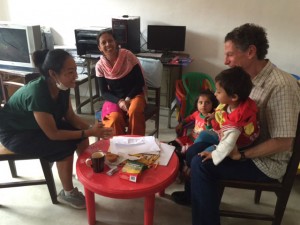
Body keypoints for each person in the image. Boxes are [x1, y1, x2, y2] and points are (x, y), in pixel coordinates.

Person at [171, 23, 300, 225]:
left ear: (250, 52)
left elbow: (283, 143)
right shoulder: (246, 80)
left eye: (230, 55)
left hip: (265, 161)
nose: (225, 61)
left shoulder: (281, 86)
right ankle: (194, 195)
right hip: (241, 142)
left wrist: (241, 155)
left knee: (201, 164)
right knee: (194, 148)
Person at [0, 49, 113, 209]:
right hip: (16, 133)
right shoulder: (38, 93)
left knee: (80, 136)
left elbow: (71, 117)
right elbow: (53, 134)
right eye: (70, 72)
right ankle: (68, 193)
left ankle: (88, 170)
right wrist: (90, 132)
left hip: (38, 125)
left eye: (75, 70)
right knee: (63, 148)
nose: (75, 75)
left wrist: (94, 129)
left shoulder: (62, 88)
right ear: (53, 74)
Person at [197, 67, 260, 166]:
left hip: (235, 145)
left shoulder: (237, 122)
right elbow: (223, 113)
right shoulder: (232, 103)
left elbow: (228, 144)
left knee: (202, 158)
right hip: (225, 133)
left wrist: (214, 154)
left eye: (218, 92)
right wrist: (215, 116)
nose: (215, 94)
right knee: (203, 134)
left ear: (234, 97)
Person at [95, 30, 146, 136]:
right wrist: (119, 101)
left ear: (116, 42)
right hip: (115, 99)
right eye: (103, 43)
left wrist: (127, 99)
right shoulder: (99, 66)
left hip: (134, 95)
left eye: (110, 41)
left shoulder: (128, 56)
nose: (108, 44)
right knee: (114, 119)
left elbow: (140, 82)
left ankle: (136, 144)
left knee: (134, 111)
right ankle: (120, 147)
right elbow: (104, 92)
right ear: (99, 47)